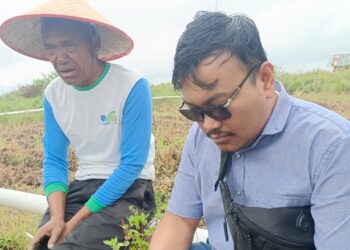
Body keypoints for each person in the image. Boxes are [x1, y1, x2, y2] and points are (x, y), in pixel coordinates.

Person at [150, 11, 350, 250]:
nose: (208, 125)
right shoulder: (199, 137)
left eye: (219, 107)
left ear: (265, 78)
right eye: (194, 112)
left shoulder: (331, 146)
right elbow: (180, 220)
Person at [0, 0, 155, 249]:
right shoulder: (53, 94)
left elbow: (132, 165)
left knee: (68, 246)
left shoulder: (131, 86)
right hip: (84, 185)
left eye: (69, 45)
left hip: (131, 190)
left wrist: (73, 225)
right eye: (51, 48)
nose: (59, 58)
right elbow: (54, 159)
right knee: (44, 244)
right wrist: (58, 219)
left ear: (94, 43)